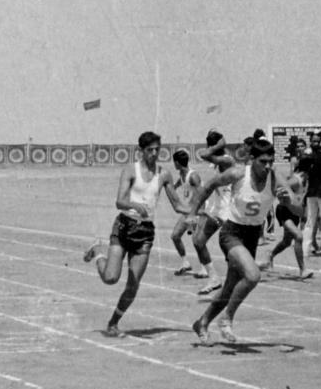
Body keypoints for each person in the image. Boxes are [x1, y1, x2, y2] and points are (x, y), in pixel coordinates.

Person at [82, 131, 186, 337]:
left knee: (133, 285)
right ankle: (98, 252)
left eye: (157, 150)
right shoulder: (131, 170)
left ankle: (113, 323)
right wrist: (135, 205)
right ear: (141, 151)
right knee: (111, 278)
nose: (154, 153)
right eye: (150, 150)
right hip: (124, 227)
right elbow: (119, 201)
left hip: (145, 234)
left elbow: (177, 204)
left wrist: (198, 210)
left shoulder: (164, 174)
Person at [189, 138, 280, 344]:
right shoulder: (238, 173)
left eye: (271, 161)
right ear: (252, 159)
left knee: (230, 287)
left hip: (252, 236)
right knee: (253, 276)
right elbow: (209, 185)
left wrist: (288, 201)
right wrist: (192, 213)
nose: (267, 166)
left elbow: (296, 206)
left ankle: (202, 322)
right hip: (232, 232)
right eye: (263, 161)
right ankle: (227, 318)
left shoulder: (274, 177)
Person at [190, 130, 235, 294]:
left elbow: (203, 154)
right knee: (198, 241)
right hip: (217, 210)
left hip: (229, 211)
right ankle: (214, 278)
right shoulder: (219, 160)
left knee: (229, 249)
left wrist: (217, 145)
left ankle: (235, 279)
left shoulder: (227, 160)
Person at [258, 166, 312, 280]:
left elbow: (303, 200)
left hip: (295, 212)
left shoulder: (309, 181)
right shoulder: (296, 180)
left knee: (287, 242)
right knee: (298, 236)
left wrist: (303, 216)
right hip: (285, 211)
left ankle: (270, 255)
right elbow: (281, 187)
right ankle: (303, 270)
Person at [169, 149, 202, 275]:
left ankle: (205, 268)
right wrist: (171, 187)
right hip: (187, 211)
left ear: (177, 163)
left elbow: (202, 194)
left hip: (196, 212)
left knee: (197, 241)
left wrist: (197, 214)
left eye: (174, 162)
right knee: (175, 236)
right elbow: (179, 183)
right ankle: (185, 263)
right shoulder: (182, 175)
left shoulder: (193, 176)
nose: (173, 164)